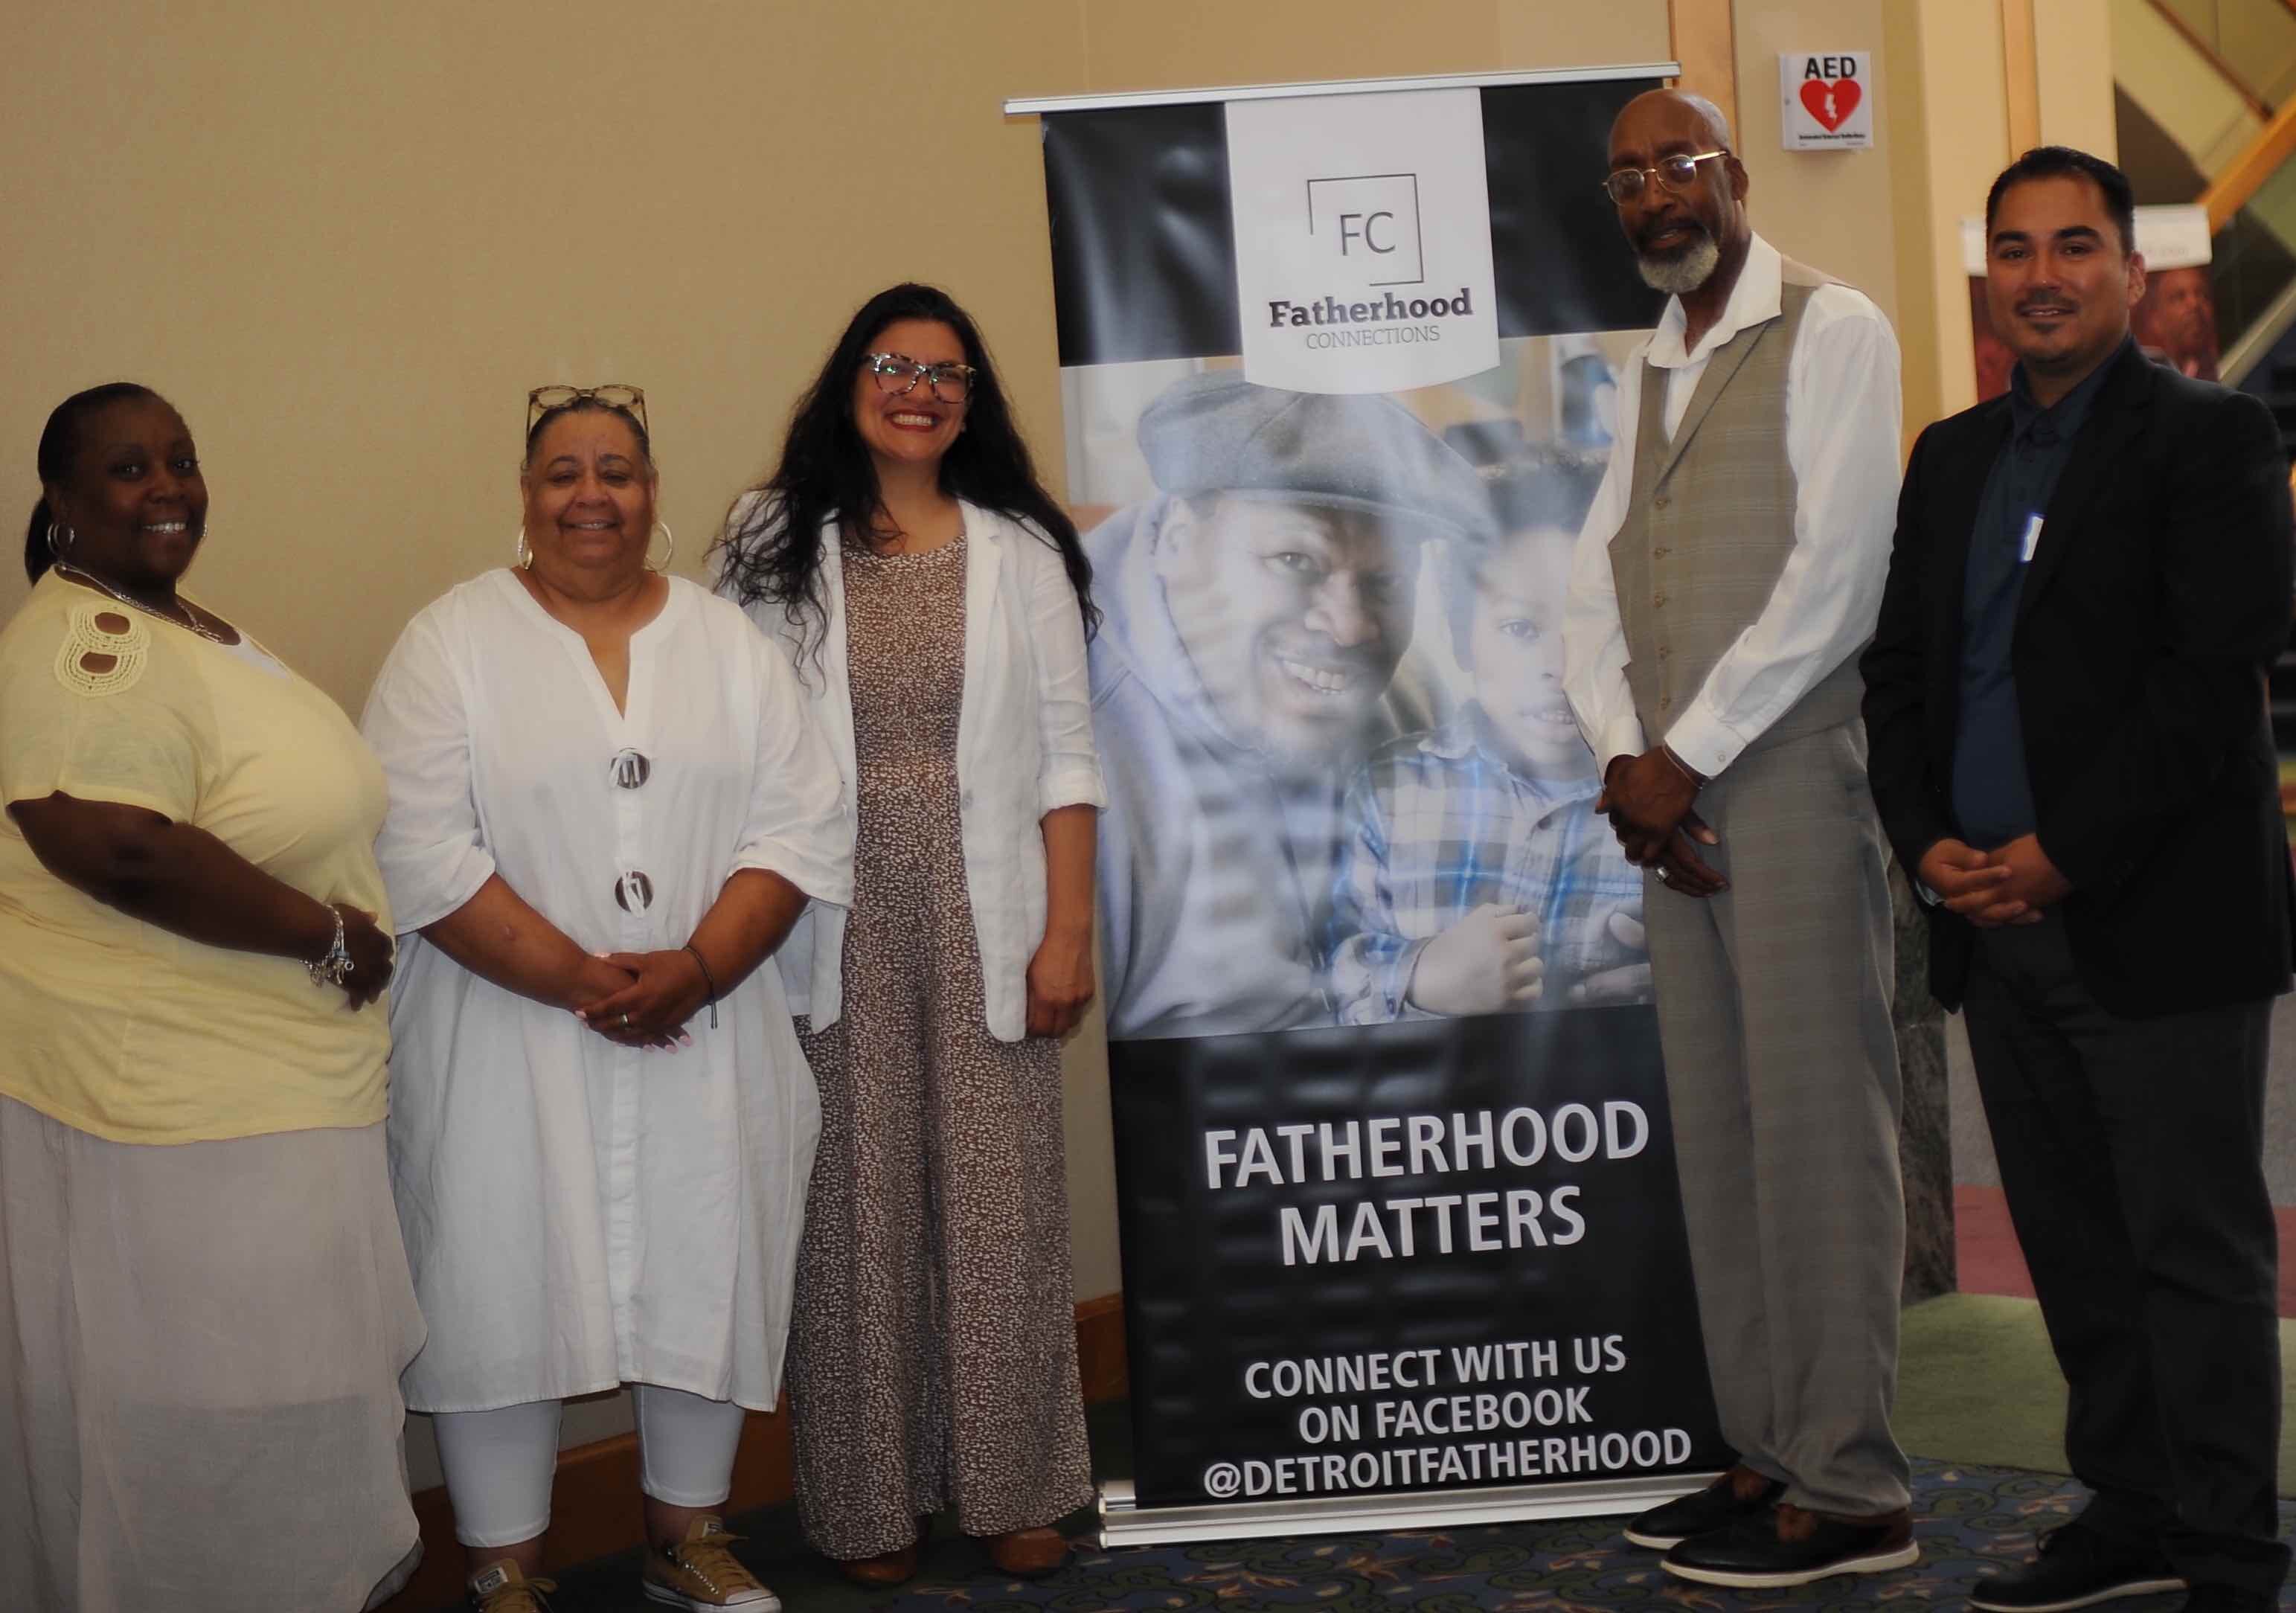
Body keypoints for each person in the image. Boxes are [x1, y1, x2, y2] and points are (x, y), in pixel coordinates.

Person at [1862, 147, 2293, 1613]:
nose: (2040, 274)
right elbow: (1902, 677)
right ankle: (2133, 1504)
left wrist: (2058, 853)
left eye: (2072, 247)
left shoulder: (2211, 437)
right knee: (2074, 1246)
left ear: (2125, 267)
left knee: (2194, 1247)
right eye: (2014, 248)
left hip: (2155, 918)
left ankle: (2231, 1545)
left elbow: (2208, 680)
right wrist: (1924, 838)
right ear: (1986, 271)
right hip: (1990, 924)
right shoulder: (1950, 458)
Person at [362, 385, 851, 1613]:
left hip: (707, 1016)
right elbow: (418, 843)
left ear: (652, 493)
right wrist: (582, 976)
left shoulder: (724, 643)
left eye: (619, 471)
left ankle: (687, 1536)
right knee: (497, 1265)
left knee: (702, 1250)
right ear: (525, 498)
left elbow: (798, 825)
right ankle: (504, 1560)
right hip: (501, 1028)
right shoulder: (451, 641)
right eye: (565, 472)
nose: (593, 495)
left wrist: (693, 966)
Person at [1561, 88, 1914, 1585]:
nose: (1656, 191)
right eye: (1629, 175)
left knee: (1821, 1138)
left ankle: (1852, 1493)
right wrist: (1622, 763)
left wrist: (1682, 756)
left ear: (1737, 175)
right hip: (1671, 806)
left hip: (1778, 781)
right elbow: (1589, 586)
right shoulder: (1640, 367)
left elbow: (1838, 574)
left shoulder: (1833, 328)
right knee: (1721, 1137)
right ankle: (1767, 1450)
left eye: (1679, 161)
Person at [0, 383, 420, 1612]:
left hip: (264, 1090)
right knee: (216, 1434)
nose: (168, 485)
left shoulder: (171, 620)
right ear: (64, 507)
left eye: (179, 459)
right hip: (181, 1114)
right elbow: (113, 840)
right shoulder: (90, 643)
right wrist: (330, 934)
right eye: (127, 469)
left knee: (284, 1407)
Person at [715, 284, 1103, 1586]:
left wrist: (1068, 931)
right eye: (892, 363)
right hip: (824, 916)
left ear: (970, 400)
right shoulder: (769, 539)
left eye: (946, 371)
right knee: (851, 1211)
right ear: (849, 383)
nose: (918, 388)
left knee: (999, 1207)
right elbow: (723, 735)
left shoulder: (1019, 551)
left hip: (985, 912)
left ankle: (1012, 1486)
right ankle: (868, 1502)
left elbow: (1066, 757)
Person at [1085, 373, 1494, 1039]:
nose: (1349, 628)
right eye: (1295, 559)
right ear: (1178, 541)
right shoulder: (1062, 733)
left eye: (1385, 580)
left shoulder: (1409, 695)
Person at [1324, 449, 1649, 1023]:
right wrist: (1421, 978)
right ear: (1460, 637)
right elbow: (1331, 977)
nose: (1559, 664)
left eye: (1597, 625)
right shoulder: (1389, 792)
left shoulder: (1674, 801)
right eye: (1521, 627)